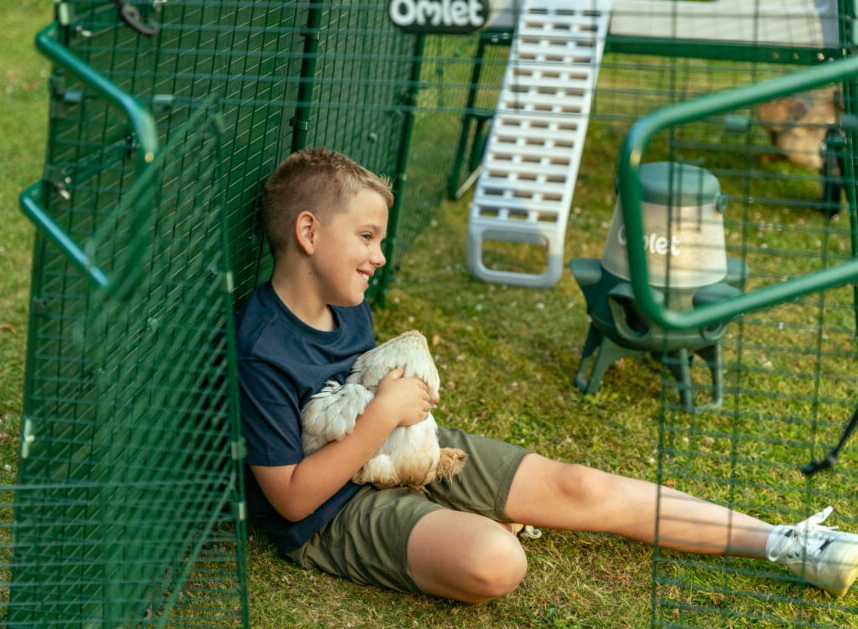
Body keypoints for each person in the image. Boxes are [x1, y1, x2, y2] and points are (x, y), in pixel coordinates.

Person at [235, 147, 858, 603]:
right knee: (495, 560)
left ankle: (784, 542)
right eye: (367, 237)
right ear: (308, 233)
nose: (380, 256)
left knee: (580, 487)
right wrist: (382, 418)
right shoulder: (262, 348)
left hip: (402, 446)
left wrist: (398, 428)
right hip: (331, 514)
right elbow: (291, 498)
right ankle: (454, 523)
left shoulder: (348, 304)